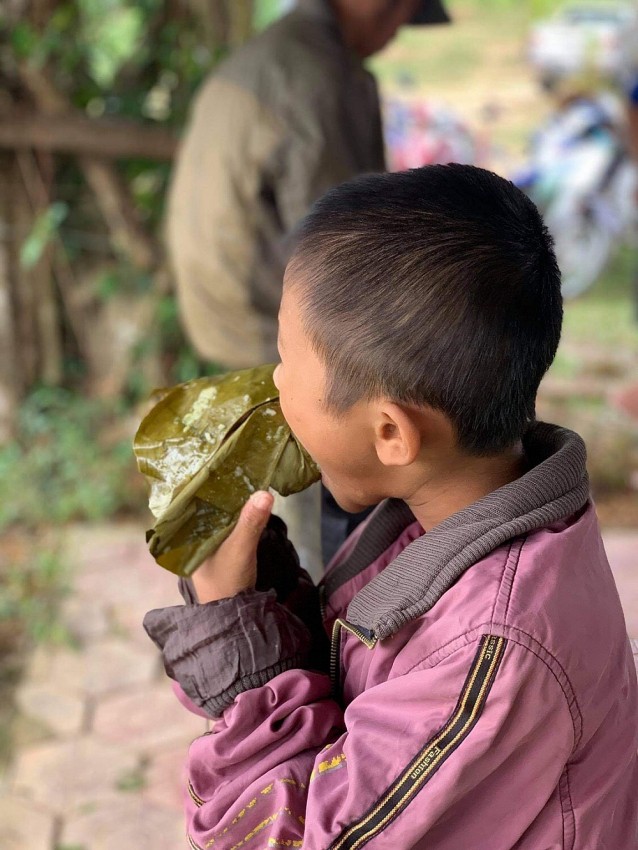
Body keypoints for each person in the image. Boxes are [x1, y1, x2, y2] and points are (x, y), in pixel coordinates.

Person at [145, 165, 638, 849]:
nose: (274, 383)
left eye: (288, 362)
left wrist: (234, 647)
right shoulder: (445, 505)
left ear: (390, 434)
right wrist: (266, 591)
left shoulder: (491, 654)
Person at [166, 0, 450, 576]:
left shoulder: (284, 54)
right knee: (332, 503)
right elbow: (345, 251)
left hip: (228, 313)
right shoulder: (319, 74)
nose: (396, 31)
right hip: (263, 320)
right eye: (401, 15)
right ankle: (331, 603)